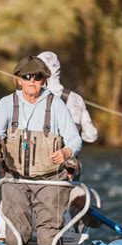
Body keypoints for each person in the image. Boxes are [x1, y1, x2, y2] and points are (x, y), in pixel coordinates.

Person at [0, 55, 82, 245]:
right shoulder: (6, 104)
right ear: (18, 79)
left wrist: (66, 151)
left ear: (44, 80)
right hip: (15, 180)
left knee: (48, 238)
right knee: (16, 236)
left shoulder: (56, 105)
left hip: (51, 181)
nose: (32, 81)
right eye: (27, 76)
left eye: (37, 77)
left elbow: (75, 139)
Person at [37, 51, 98, 180]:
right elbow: (91, 136)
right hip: (70, 171)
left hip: (40, 169)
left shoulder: (34, 98)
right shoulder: (76, 99)